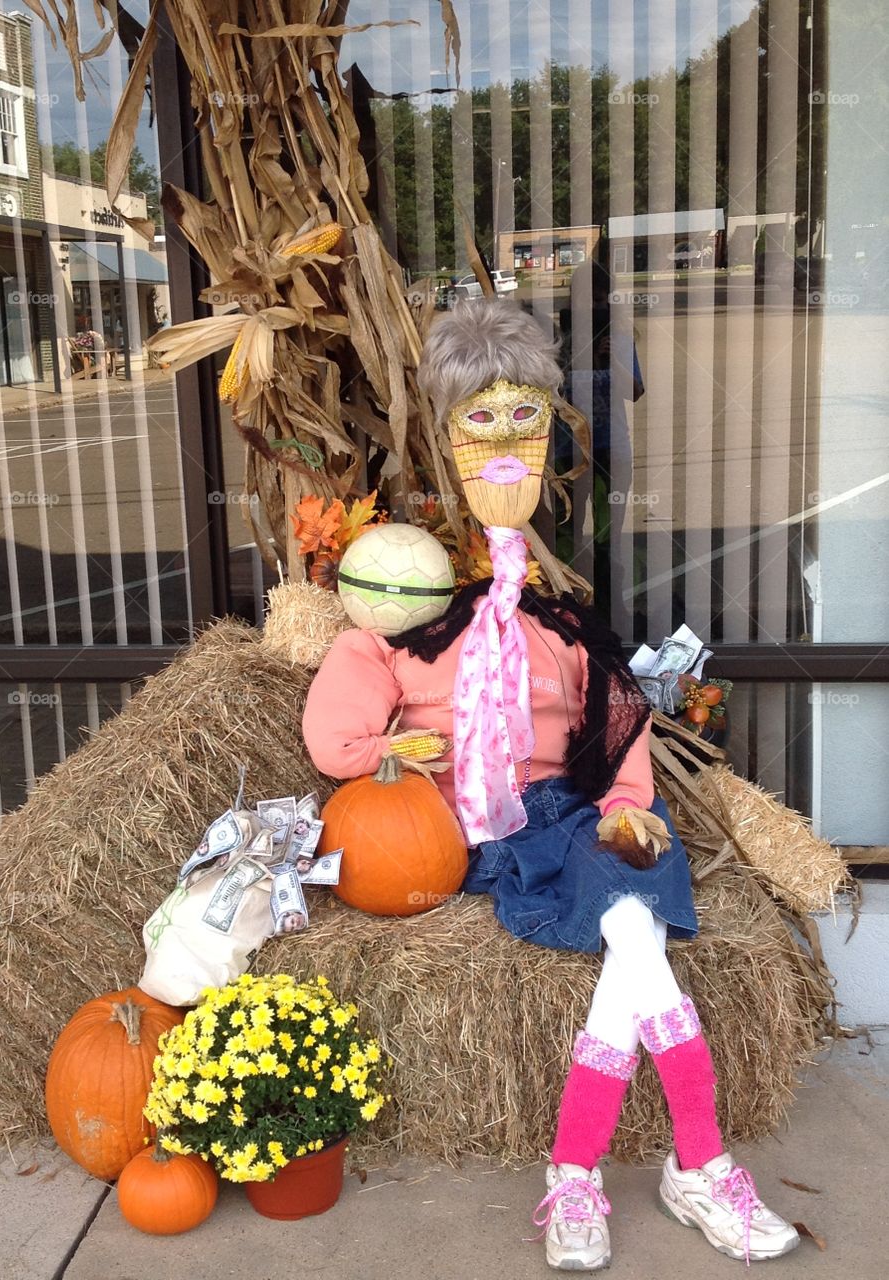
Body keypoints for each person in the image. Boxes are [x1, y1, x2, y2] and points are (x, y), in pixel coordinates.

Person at [303, 299, 798, 1271]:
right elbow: (335, 736)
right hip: (477, 829)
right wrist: (391, 754)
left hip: (581, 809)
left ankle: (586, 1172)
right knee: (634, 931)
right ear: (445, 444)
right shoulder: (403, 615)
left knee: (631, 924)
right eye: (476, 418)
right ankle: (688, 1167)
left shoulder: (553, 618)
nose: (500, 442)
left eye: (522, 417)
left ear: (549, 437)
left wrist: (624, 806)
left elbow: (614, 724)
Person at [557, 259, 644, 615]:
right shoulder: (558, 342)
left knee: (610, 537)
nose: (593, 307)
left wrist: (614, 359)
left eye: (599, 299)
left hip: (612, 451)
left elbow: (635, 391)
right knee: (568, 531)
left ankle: (612, 607)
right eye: (585, 299)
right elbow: (549, 393)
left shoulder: (620, 339)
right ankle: (570, 603)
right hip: (568, 452)